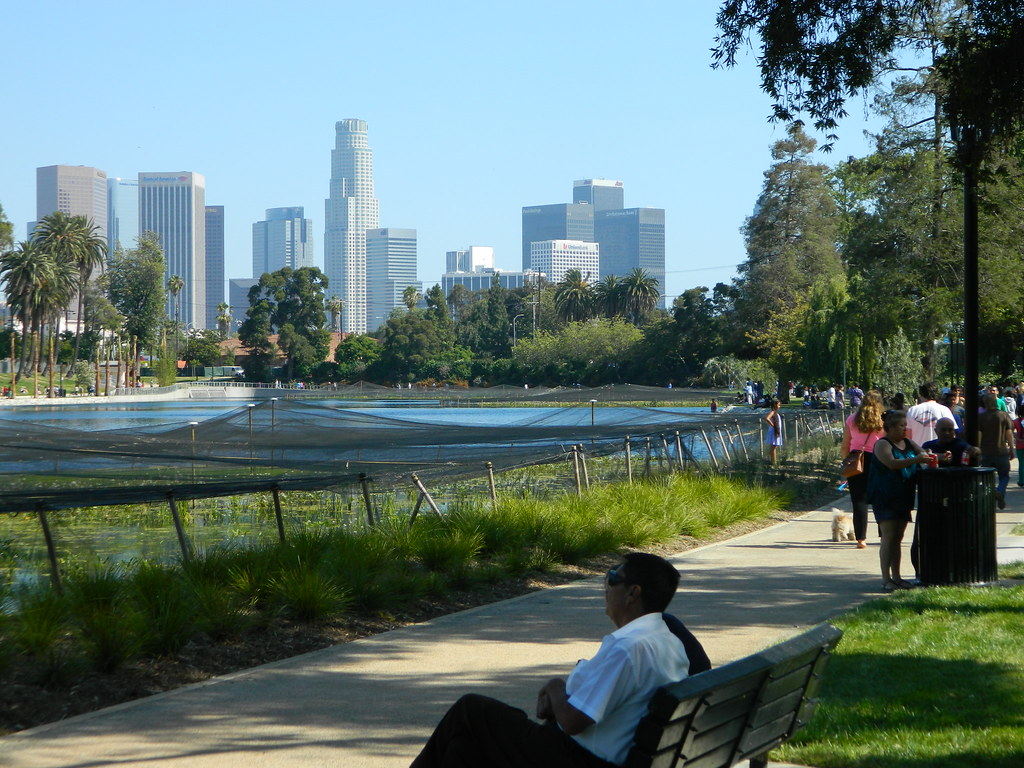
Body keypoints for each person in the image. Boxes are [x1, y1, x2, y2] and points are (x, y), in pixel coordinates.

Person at [410, 553, 693, 768]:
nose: (605, 587)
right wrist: (559, 705)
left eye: (613, 578)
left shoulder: (630, 649)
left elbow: (573, 723)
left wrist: (557, 689)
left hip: (575, 757)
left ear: (633, 593)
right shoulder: (668, 642)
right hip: (601, 754)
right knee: (462, 749)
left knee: (471, 709)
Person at [867, 410, 931, 592]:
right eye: (902, 426)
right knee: (888, 536)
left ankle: (897, 577)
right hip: (885, 495)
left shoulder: (909, 443)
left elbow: (925, 454)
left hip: (904, 495)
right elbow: (891, 463)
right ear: (891, 427)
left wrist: (941, 457)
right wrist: (916, 459)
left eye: (905, 425)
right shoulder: (882, 444)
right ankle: (886, 578)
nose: (905, 429)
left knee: (898, 537)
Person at [841, 389, 886, 549]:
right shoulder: (883, 420)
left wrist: (845, 462)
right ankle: (884, 535)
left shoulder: (852, 419)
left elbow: (845, 444)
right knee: (880, 498)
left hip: (856, 459)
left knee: (858, 499)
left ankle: (861, 538)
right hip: (878, 458)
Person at [979, 392, 1014, 509]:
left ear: (985, 404)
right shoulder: (1003, 415)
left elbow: (979, 434)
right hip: (1001, 451)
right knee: (1004, 476)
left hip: (986, 452)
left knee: (986, 478)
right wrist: (1012, 449)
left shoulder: (981, 417)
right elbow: (1009, 434)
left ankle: (993, 492)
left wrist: (978, 449)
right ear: (996, 402)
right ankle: (1000, 491)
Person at [905, 382, 954, 447]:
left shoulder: (912, 410)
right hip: (939, 453)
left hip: (918, 453)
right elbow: (952, 434)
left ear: (921, 394)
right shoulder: (944, 410)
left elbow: (907, 436)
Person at [765, 399, 782, 465]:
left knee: (775, 446)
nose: (779, 406)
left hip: (776, 430)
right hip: (773, 431)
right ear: (775, 405)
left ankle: (772, 459)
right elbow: (767, 418)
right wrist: (773, 425)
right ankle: (773, 462)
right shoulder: (773, 412)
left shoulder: (776, 413)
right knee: (774, 446)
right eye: (778, 405)